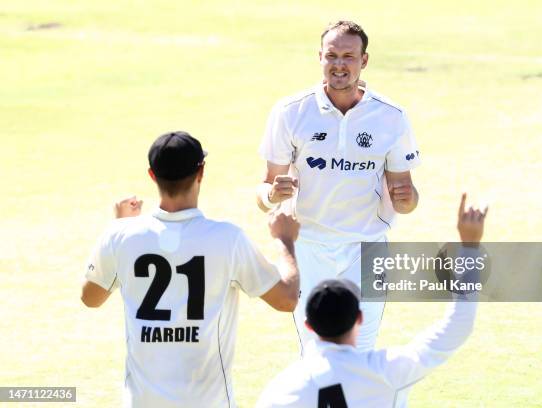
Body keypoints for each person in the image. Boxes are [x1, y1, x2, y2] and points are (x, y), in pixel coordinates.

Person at [81, 131, 300, 408]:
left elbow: (90, 298)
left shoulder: (120, 236)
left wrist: (118, 226)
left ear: (152, 175)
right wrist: (286, 241)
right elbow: (287, 299)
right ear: (201, 172)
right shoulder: (227, 239)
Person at [256, 20, 421, 351]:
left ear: (364, 60)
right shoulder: (291, 112)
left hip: (368, 247)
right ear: (320, 57)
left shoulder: (391, 116)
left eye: (348, 56)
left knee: (362, 348)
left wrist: (407, 200)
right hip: (311, 247)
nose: (339, 65)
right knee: (315, 349)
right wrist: (272, 194)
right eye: (332, 56)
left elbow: (406, 194)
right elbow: (263, 194)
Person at [256, 194, 487, 408]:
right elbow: (459, 324)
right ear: (359, 318)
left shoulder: (282, 389)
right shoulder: (387, 371)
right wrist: (470, 246)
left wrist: (284, 240)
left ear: (309, 325)